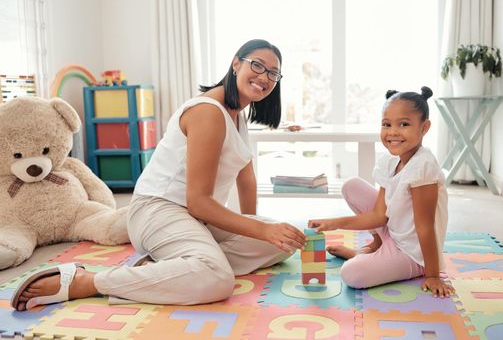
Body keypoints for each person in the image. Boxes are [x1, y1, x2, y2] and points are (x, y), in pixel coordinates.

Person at [12, 39, 306, 311]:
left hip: (197, 219)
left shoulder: (236, 114)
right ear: (235, 63)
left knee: (283, 242)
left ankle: (170, 266)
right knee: (218, 279)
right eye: (257, 65)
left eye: (273, 73)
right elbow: (199, 203)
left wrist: (254, 227)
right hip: (158, 211)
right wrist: (258, 230)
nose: (265, 76)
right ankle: (87, 282)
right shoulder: (209, 112)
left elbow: (246, 178)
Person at [308, 86, 455, 298]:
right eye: (386, 124)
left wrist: (433, 275)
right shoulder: (390, 159)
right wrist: (333, 223)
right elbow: (378, 216)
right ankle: (374, 248)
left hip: (412, 253)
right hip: (393, 233)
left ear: (424, 128)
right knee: (352, 186)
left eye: (404, 124)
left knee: (352, 273)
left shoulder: (423, 167)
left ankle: (402, 263)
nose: (393, 132)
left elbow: (425, 227)